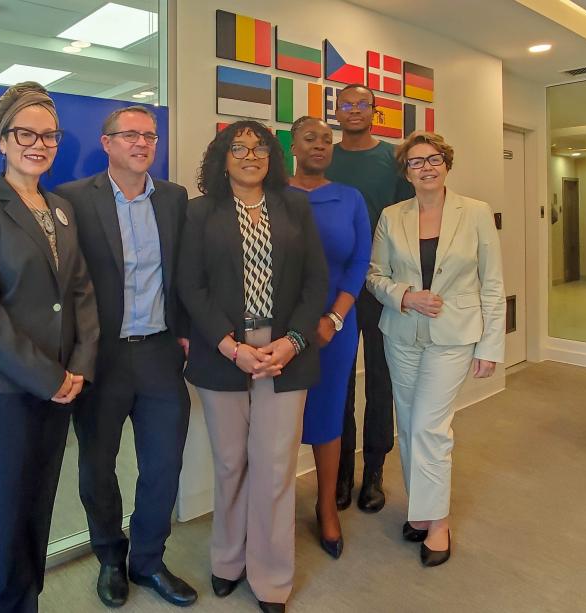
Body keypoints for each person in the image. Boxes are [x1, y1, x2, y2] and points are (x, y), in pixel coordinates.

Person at [0, 81, 99, 612]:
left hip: (59, 388)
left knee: (37, 509)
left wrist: (78, 367)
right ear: (3, 140)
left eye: (49, 135)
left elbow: (81, 291)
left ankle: (27, 604)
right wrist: (49, 376)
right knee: (2, 519)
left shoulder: (60, 208)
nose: (38, 144)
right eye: (26, 133)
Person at [178, 120, 327, 613]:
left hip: (285, 353)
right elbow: (190, 287)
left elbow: (314, 282)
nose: (249, 154)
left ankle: (271, 577)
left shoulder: (296, 206)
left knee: (275, 468)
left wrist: (292, 342)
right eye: (238, 147)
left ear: (272, 157)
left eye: (259, 147)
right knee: (229, 463)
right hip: (225, 351)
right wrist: (229, 346)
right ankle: (227, 560)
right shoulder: (199, 213)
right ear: (222, 157)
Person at [55, 106, 196, 608]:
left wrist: (184, 331)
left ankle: (149, 560)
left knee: (163, 464)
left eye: (149, 135)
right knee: (97, 466)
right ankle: (111, 557)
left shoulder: (175, 199)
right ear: (107, 142)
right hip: (102, 356)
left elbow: (185, 270)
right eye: (130, 135)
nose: (141, 143)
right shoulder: (72, 199)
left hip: (159, 353)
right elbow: (65, 283)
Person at [365, 131, 504, 566]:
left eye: (433, 159)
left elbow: (493, 281)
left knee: (430, 426)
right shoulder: (392, 216)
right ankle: (421, 512)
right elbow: (374, 275)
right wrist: (406, 295)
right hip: (402, 333)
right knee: (407, 424)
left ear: (446, 163)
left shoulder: (476, 213)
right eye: (415, 162)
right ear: (405, 172)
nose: (425, 167)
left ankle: (437, 520)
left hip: (455, 334)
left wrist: (491, 344)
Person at [326, 84, 416, 513]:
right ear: (336, 112)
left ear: (375, 112)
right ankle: (341, 471)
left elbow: (406, 224)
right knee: (339, 383)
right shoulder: (326, 156)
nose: (355, 110)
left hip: (382, 286)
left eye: (363, 104)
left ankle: (374, 471)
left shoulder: (393, 160)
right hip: (336, 289)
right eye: (347, 104)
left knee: (381, 381)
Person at [286, 116, 371, 560]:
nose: (320, 145)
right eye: (309, 139)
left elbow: (359, 262)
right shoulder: (274, 193)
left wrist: (334, 319)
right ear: (293, 147)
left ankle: (326, 506)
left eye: (325, 139)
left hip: (334, 328)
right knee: (276, 418)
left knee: (329, 415)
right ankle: (275, 508)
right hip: (280, 330)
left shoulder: (350, 198)